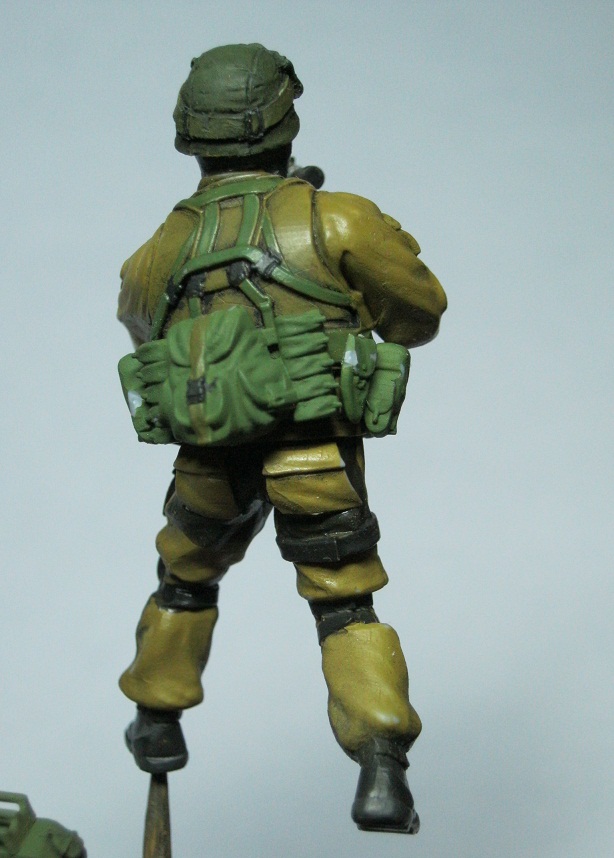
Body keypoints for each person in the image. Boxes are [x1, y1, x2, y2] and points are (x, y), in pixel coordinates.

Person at [117, 43, 447, 834]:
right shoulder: (337, 219)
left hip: (207, 460)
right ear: (283, 121)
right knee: (344, 602)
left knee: (184, 579)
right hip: (312, 456)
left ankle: (157, 719)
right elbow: (420, 313)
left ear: (190, 135)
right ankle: (380, 763)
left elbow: (145, 336)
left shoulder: (156, 251)